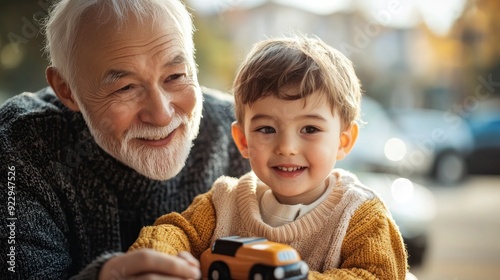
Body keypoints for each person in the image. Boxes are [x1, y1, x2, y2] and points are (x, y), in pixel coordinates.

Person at [0, 0, 250, 279]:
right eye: (126, 87)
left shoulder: (243, 133)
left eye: (175, 76)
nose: (161, 115)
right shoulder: (18, 150)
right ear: (66, 90)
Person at [129, 35, 409, 279]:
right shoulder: (224, 202)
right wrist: (161, 257)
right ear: (243, 140)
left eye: (310, 129)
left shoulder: (360, 215)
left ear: (343, 140)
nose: (286, 147)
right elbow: (176, 231)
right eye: (266, 129)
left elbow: (377, 275)